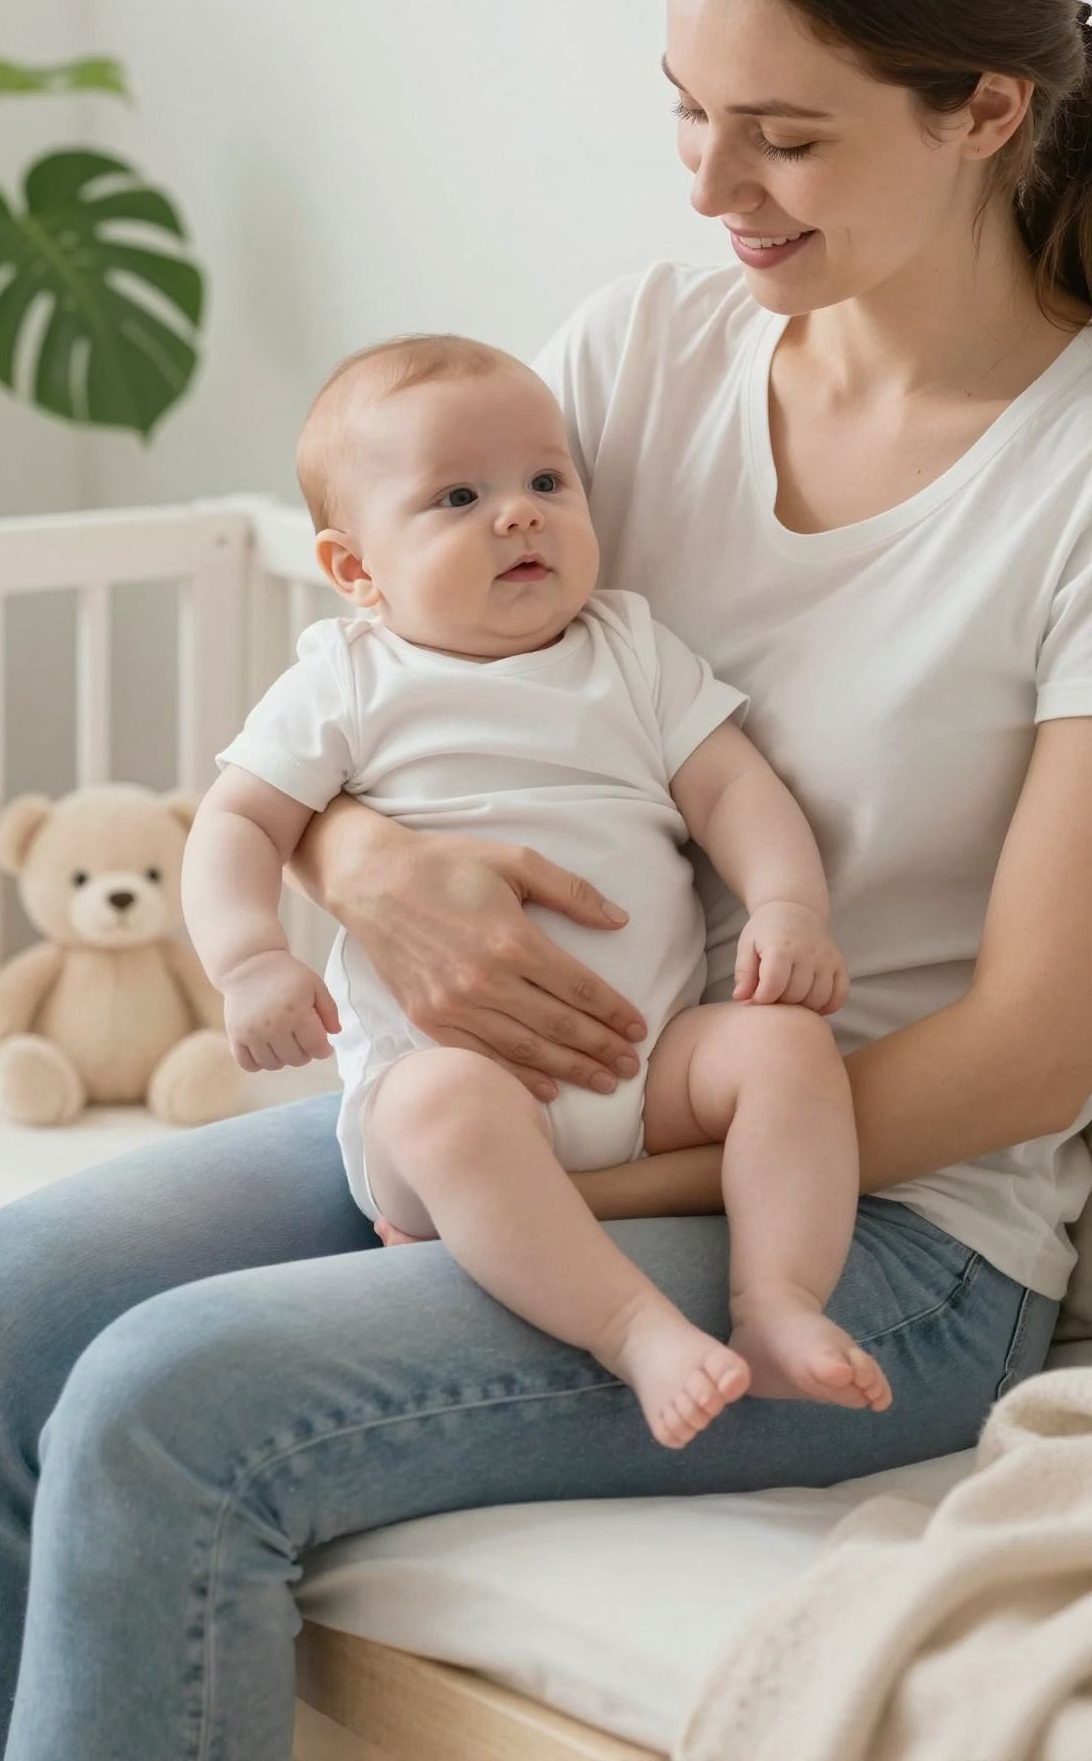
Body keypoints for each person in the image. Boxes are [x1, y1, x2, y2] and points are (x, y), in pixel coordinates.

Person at [0, 0, 1092, 1761]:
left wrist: (562, 1176)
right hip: (504, 1099)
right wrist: (369, 859)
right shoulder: (652, 350)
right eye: (687, 108)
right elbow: (426, 662)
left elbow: (1038, 1046)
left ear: (985, 108)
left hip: (877, 1228)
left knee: (164, 1409)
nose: (712, 186)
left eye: (786, 135)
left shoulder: (1067, 476)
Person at [183, 334, 890, 1449]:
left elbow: (734, 791)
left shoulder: (629, 648)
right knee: (442, 1106)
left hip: (646, 1068)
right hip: (458, 1093)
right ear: (356, 568)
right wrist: (249, 958)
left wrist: (787, 906)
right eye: (459, 496)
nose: (520, 514)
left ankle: (777, 1301)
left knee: (785, 1047)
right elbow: (236, 821)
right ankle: (633, 1328)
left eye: (546, 482)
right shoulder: (348, 678)